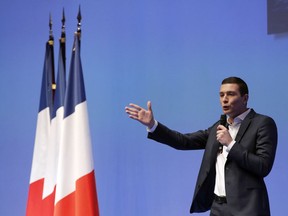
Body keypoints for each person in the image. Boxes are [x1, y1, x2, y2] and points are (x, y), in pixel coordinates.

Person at [125, 77, 277, 216]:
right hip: (218, 208)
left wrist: (231, 144)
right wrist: (153, 125)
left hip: (247, 208)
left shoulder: (262, 123)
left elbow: (263, 166)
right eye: (221, 95)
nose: (224, 100)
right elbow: (184, 141)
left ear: (245, 98)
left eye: (230, 94)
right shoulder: (219, 127)